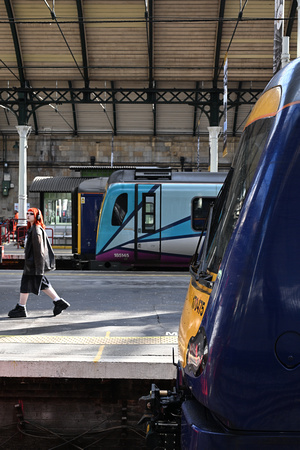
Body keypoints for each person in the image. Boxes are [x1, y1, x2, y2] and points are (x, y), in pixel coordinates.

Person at [8, 208, 70, 318]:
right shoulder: (32, 228)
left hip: (33, 265)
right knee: (36, 283)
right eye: (27, 213)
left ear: (37, 216)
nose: (28, 215)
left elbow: (39, 251)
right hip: (32, 264)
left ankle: (22, 307)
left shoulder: (36, 230)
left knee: (29, 284)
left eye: (31, 214)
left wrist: (39, 268)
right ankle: (57, 302)